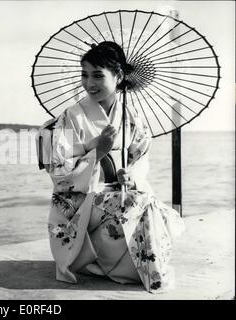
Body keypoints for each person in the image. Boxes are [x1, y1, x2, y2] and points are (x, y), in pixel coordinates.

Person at [36, 41, 185, 293]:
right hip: (81, 199)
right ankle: (146, 270)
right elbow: (60, 172)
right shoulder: (72, 116)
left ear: (118, 76)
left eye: (97, 75)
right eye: (84, 75)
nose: (89, 83)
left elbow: (140, 156)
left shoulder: (131, 115)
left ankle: (140, 267)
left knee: (148, 203)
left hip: (119, 192)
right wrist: (98, 150)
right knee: (138, 205)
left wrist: (131, 174)